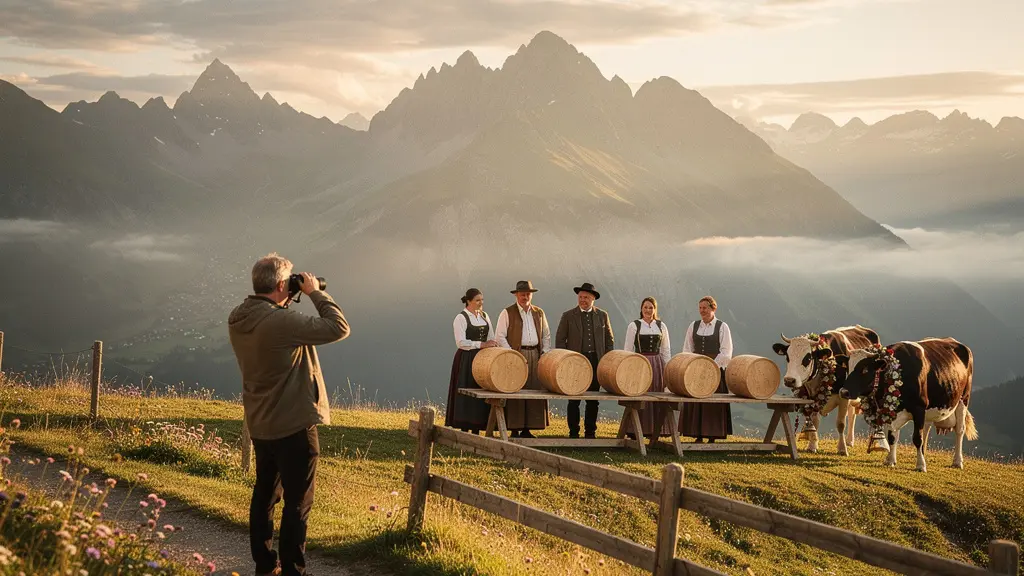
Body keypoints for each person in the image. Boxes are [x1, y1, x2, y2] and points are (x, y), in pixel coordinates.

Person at [228, 253, 350, 576]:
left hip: (261, 423)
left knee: (265, 495)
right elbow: (339, 327)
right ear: (282, 285)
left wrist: (287, 299)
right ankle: (294, 569)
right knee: (298, 502)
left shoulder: (238, 318)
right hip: (294, 425)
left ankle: (265, 566)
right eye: (292, 280)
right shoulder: (281, 323)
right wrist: (313, 292)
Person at [555, 282, 615, 439]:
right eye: (581, 297)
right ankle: (573, 433)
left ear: (593, 299)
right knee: (573, 399)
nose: (583, 300)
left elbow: (609, 340)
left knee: (593, 399)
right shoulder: (568, 315)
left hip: (596, 360)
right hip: (575, 361)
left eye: (586, 297)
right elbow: (560, 340)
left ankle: (590, 433)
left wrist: (606, 359)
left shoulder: (602, 316)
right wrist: (565, 360)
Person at [494, 280, 551, 437]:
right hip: (516, 356)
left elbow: (546, 334)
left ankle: (529, 428)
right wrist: (511, 354)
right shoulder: (507, 312)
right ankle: (514, 428)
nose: (525, 297)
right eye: (522, 294)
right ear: (516, 295)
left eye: (528, 294)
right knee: (516, 390)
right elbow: (500, 336)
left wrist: (545, 352)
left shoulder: (539, 313)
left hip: (535, 354)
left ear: (531, 295)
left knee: (534, 389)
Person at [679, 295, 733, 443]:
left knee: (712, 402)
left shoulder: (722, 326)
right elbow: (687, 348)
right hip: (696, 368)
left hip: (715, 369)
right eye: (700, 308)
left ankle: (712, 435)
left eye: (705, 308)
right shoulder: (694, 326)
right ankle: (697, 433)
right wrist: (691, 365)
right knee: (696, 400)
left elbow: (726, 351)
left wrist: (711, 367)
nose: (702, 311)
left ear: (713, 308)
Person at [445, 288, 498, 434]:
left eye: (482, 300)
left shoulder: (484, 316)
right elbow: (461, 342)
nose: (481, 303)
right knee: (466, 390)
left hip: (483, 359)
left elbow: (491, 336)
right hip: (466, 359)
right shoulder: (461, 318)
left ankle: (478, 426)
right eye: (477, 300)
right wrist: (480, 344)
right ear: (469, 301)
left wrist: (492, 345)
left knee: (482, 389)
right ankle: (464, 426)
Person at [623, 297, 673, 440]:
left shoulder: (661, 326)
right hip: (640, 364)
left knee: (656, 395)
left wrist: (667, 369)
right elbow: (627, 349)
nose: (648, 310)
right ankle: (636, 430)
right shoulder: (634, 325)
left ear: (655, 310)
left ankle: (655, 430)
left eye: (651, 307)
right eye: (645, 307)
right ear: (641, 309)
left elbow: (666, 350)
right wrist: (628, 367)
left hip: (657, 364)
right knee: (640, 394)